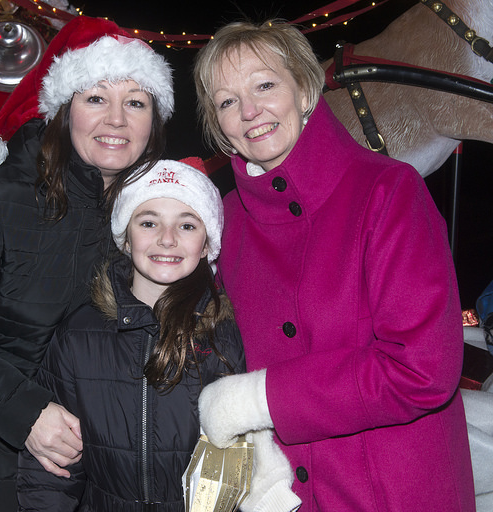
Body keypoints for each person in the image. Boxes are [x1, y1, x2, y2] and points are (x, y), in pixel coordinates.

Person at [0, 15, 174, 512]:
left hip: (89, 484)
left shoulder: (146, 222)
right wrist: (27, 414)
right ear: (63, 110)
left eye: (135, 102)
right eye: (95, 98)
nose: (116, 120)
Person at [193, 19, 476, 511]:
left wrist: (260, 400)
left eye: (264, 85)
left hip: (394, 493)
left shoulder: (388, 192)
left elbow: (423, 369)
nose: (249, 111)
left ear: (304, 89)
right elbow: (218, 351)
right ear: (219, 126)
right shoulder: (226, 222)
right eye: (226, 101)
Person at [17, 158, 253, 511]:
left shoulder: (223, 337)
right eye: (148, 222)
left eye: (187, 225)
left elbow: (239, 463)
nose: (167, 239)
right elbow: (52, 466)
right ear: (125, 238)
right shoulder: (80, 334)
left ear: (207, 245)